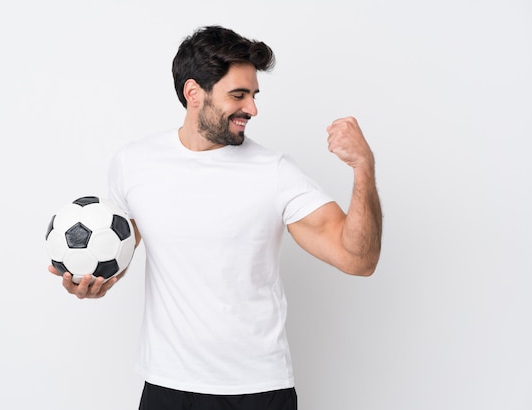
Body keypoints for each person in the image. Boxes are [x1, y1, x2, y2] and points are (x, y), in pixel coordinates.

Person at [49, 25, 382, 410]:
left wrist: (363, 168)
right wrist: (97, 281)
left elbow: (359, 259)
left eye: (254, 95)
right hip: (167, 385)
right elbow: (119, 246)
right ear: (194, 93)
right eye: (238, 95)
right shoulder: (133, 164)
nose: (252, 109)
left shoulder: (275, 172)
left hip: (257, 389)